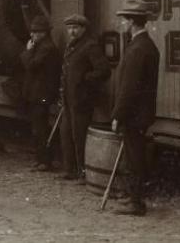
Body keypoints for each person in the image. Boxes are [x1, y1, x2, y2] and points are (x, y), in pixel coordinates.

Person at [111, 0, 160, 216]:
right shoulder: (145, 45)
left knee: (135, 157)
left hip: (133, 114)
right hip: (140, 113)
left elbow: (128, 88)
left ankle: (135, 202)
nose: (121, 23)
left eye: (123, 19)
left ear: (131, 22)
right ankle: (133, 198)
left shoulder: (138, 48)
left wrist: (117, 115)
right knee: (134, 156)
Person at [58, 14, 111, 182]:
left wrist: (84, 79)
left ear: (83, 29)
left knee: (79, 136)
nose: (71, 31)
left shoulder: (90, 46)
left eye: (75, 28)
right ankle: (70, 170)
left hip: (81, 100)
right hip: (68, 99)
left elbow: (104, 70)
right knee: (66, 133)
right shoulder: (71, 46)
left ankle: (83, 172)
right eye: (69, 28)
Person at [19, 15, 61, 171]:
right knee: (38, 127)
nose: (32, 35)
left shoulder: (47, 48)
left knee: (40, 128)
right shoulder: (42, 47)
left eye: (35, 32)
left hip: (41, 94)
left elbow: (31, 65)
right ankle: (41, 159)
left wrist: (27, 51)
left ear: (44, 33)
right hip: (38, 94)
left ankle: (44, 161)